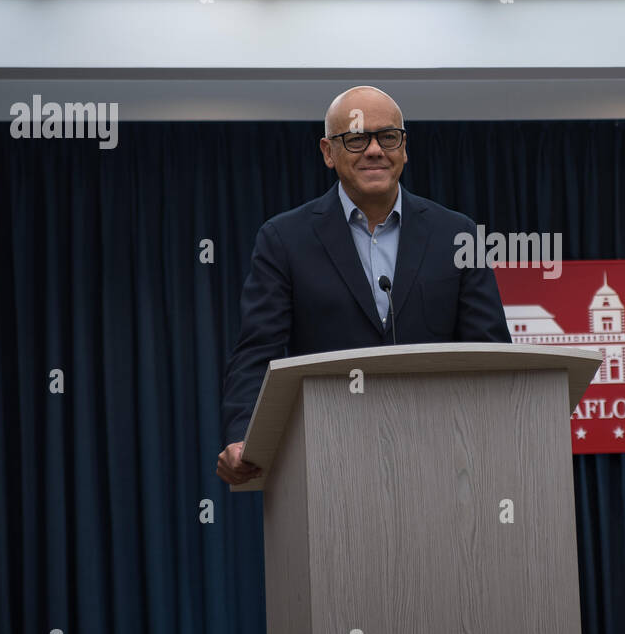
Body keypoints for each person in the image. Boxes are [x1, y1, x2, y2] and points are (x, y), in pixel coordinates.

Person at [216, 86, 511, 485]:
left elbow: (489, 351)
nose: (374, 150)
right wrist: (242, 435)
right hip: (329, 458)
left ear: (404, 148)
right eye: (355, 139)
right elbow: (257, 350)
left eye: (387, 137)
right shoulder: (284, 239)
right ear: (327, 151)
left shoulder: (457, 233)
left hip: (445, 458)